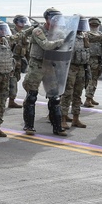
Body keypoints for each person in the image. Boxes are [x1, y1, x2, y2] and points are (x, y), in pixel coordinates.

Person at [22, 8, 74, 136]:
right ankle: (29, 126)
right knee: (31, 96)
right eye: (53, 19)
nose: (56, 22)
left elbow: (65, 48)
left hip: (51, 65)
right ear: (47, 19)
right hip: (37, 65)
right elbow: (45, 45)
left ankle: (57, 127)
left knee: (55, 97)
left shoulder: (59, 32)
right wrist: (62, 41)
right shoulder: (38, 31)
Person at [0, 20, 26, 137]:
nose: (2, 31)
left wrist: (30, 30)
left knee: (2, 102)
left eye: (3, 29)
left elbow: (18, 36)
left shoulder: (6, 41)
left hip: (5, 76)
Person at [84, 17, 102, 107]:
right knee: (93, 80)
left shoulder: (84, 35)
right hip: (95, 60)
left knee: (85, 80)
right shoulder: (101, 36)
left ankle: (89, 98)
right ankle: (88, 99)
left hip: (84, 60)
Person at [8, 15, 33, 108]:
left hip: (19, 60)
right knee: (12, 80)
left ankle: (11, 100)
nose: (22, 24)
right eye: (20, 22)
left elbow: (27, 49)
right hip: (10, 60)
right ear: (16, 23)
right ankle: (11, 100)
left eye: (23, 22)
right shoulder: (11, 33)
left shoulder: (24, 34)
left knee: (16, 79)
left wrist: (30, 61)